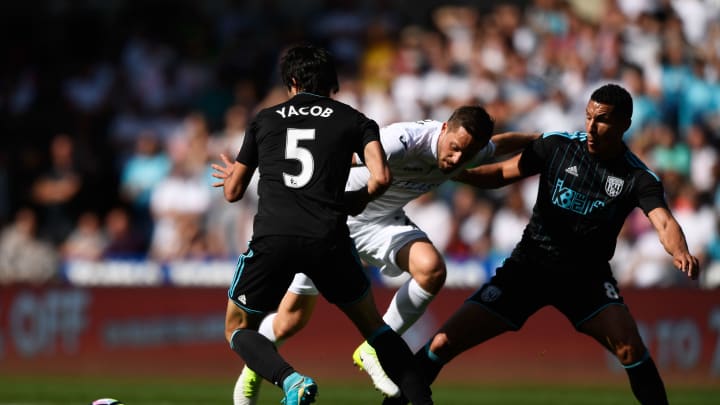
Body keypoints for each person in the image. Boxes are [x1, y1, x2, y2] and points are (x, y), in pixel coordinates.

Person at [384, 83, 700, 405]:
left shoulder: (637, 176)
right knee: (442, 344)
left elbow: (663, 221)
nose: (591, 126)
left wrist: (680, 251)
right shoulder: (558, 147)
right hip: (527, 269)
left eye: (601, 120)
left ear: (624, 125)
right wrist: (452, 173)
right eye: (588, 116)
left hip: (585, 279)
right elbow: (499, 175)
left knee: (630, 347)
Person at [233, 104, 540, 404]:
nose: (458, 158)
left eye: (468, 154)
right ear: (444, 128)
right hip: (335, 220)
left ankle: (372, 348)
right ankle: (254, 365)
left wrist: (537, 139)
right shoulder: (401, 141)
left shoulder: (470, 148)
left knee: (432, 269)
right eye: (455, 147)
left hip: (382, 221)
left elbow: (498, 145)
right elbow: (330, 155)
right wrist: (255, 167)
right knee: (291, 320)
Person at [211, 44, 433, 405]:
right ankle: (422, 401)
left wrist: (233, 176)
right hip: (328, 237)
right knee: (374, 327)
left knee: (237, 328)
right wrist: (356, 201)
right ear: (331, 82)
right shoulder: (354, 119)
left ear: (293, 81)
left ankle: (291, 381)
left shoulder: (264, 119)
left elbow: (234, 192)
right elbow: (381, 176)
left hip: (274, 236)